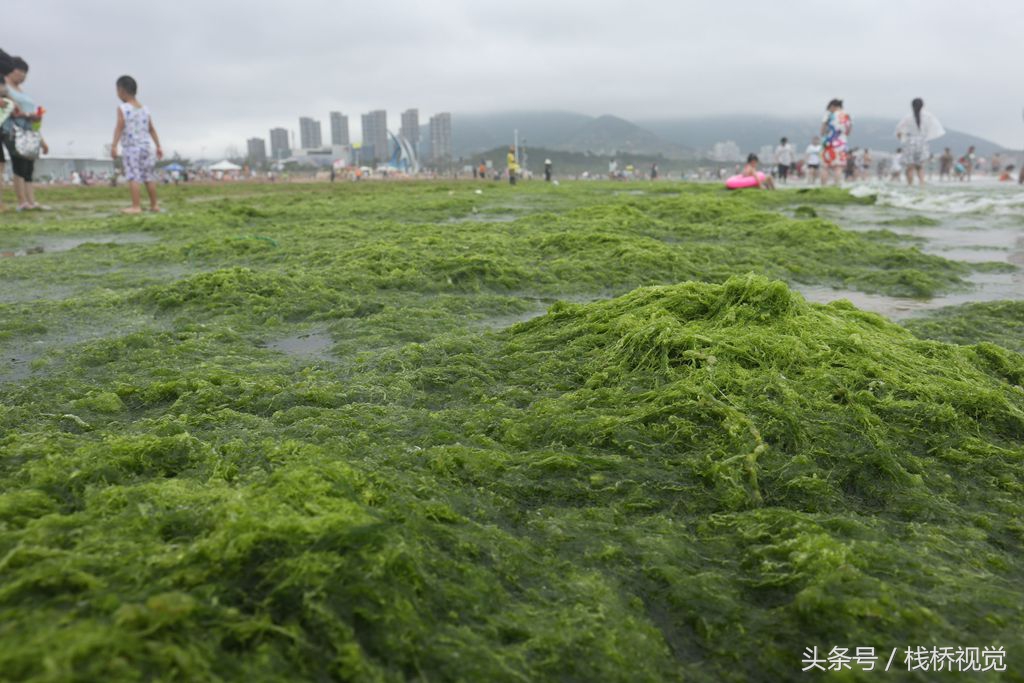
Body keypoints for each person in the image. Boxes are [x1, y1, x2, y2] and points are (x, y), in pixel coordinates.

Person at [2, 56, 49, 211]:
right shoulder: (5, 87)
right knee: (19, 165)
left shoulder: (22, 92)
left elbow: (32, 116)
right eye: (20, 71)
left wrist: (42, 140)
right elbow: (12, 110)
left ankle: (31, 201)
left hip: (30, 132)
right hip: (13, 130)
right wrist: (25, 114)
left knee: (29, 166)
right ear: (11, 70)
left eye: (25, 72)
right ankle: (22, 202)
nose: (23, 75)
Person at [110, 75, 163, 213]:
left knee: (133, 176)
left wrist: (114, 145)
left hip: (132, 148)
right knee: (148, 177)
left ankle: (136, 206)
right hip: (146, 148)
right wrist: (158, 146)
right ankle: (154, 205)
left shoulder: (123, 108)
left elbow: (120, 127)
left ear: (122, 90)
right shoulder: (145, 109)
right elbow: (151, 128)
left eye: (117, 90)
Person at [894, 98, 944, 187]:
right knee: (920, 166)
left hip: (911, 141)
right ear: (923, 105)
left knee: (910, 166)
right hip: (922, 142)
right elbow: (936, 128)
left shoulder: (908, 117)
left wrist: (902, 138)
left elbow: (899, 130)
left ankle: (910, 185)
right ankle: (922, 185)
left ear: (912, 106)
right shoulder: (928, 116)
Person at [820, 98, 852, 186]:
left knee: (825, 167)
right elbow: (848, 132)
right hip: (841, 143)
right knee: (838, 167)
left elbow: (822, 131)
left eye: (829, 108)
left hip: (828, 143)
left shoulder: (829, 114)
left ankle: (823, 187)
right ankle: (836, 186)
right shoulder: (846, 115)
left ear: (832, 106)